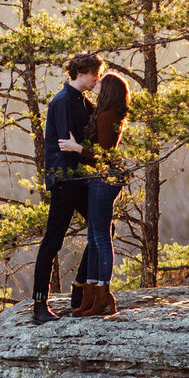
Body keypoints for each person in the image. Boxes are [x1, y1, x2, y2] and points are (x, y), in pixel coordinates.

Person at [30, 52, 103, 323]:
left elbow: (96, 136)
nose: (97, 77)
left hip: (79, 179)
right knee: (53, 240)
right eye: (95, 73)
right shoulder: (63, 102)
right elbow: (67, 146)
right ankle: (39, 305)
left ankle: (79, 292)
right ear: (81, 72)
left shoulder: (83, 101)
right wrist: (87, 152)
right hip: (64, 180)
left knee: (103, 229)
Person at [70, 73, 129, 317]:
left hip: (104, 179)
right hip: (101, 179)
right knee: (94, 238)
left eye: (101, 82)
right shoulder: (107, 113)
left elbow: (102, 155)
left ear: (109, 90)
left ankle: (102, 296)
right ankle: (92, 295)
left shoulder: (107, 116)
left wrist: (77, 149)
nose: (96, 83)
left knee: (101, 238)